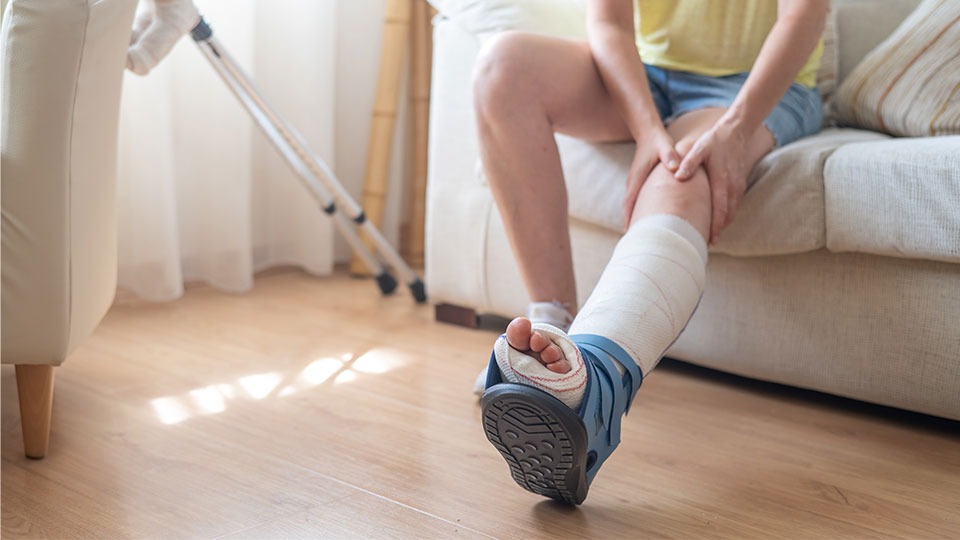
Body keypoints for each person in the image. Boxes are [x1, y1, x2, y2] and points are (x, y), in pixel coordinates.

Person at [475, 0, 827, 504]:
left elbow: (804, 15)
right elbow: (611, 21)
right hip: (648, 76)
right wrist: (646, 129)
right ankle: (554, 324)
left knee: (680, 171)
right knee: (501, 67)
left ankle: (593, 386)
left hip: (756, 86)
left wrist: (735, 127)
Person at [126, 0, 199, 76]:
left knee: (138, 59)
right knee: (126, 42)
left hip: (173, 13)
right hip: (157, 6)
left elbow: (140, 63)